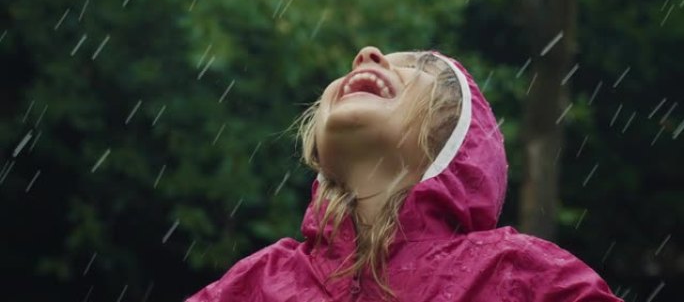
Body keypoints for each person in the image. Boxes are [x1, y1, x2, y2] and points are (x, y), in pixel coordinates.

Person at [185, 47, 624, 301]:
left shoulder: (517, 273)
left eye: (416, 66)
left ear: (452, 141)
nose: (367, 54)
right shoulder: (257, 283)